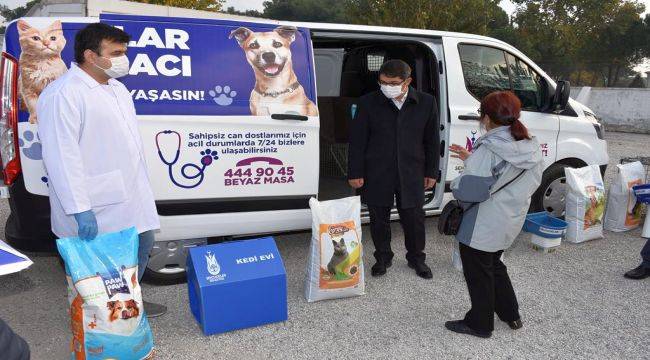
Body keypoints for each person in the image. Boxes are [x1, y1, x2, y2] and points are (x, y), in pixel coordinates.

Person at [37, 23, 166, 317]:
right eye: (116, 53)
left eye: (125, 52)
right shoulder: (64, 94)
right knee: (101, 266)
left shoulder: (117, 88)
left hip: (130, 196)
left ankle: (130, 303)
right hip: (95, 202)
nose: (124, 59)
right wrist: (80, 208)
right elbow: (61, 156)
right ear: (90, 55)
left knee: (140, 246)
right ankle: (103, 319)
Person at [446, 91, 543, 338]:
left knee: (478, 273)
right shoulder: (529, 145)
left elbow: (470, 190)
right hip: (509, 219)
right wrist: (473, 160)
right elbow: (508, 175)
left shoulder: (489, 147)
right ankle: (512, 315)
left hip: (483, 222)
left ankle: (479, 324)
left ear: (486, 118)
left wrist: (457, 181)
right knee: (494, 265)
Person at [348, 59, 439, 279]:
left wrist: (431, 172)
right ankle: (382, 258)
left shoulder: (426, 103)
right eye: (383, 82)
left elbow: (432, 141)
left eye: (393, 82)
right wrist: (355, 172)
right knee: (379, 218)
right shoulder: (368, 102)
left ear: (407, 81)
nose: (387, 86)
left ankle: (417, 259)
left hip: (413, 171)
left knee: (414, 218)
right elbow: (358, 140)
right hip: (377, 171)